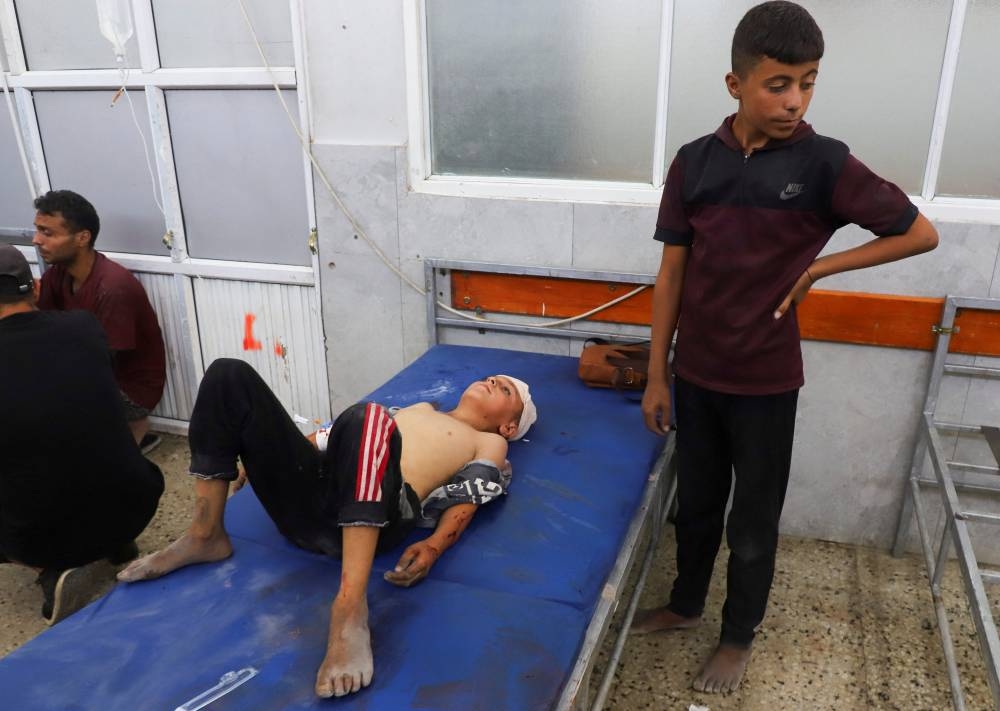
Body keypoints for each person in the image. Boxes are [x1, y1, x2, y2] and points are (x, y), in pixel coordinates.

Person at [635, 1, 938, 695]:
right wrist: (658, 375)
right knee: (698, 503)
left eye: (808, 81)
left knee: (752, 519)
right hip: (697, 374)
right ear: (735, 83)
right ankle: (685, 604)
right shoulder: (693, 164)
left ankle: (738, 634)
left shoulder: (826, 163)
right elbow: (672, 274)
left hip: (768, 382)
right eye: (779, 83)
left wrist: (821, 268)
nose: (795, 100)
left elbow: (919, 234)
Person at [118, 357, 538, 698]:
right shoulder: (418, 409)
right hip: (313, 503)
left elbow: (470, 495)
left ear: (509, 426)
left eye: (504, 390)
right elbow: (327, 440)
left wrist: (433, 546)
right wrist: (265, 449)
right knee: (228, 374)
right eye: (490, 377)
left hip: (378, 518)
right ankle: (206, 534)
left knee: (369, 416)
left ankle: (350, 609)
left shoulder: (489, 442)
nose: (491, 382)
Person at [0, 244, 164, 624]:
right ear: (36, 289)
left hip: (40, 533)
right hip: (135, 503)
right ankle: (117, 544)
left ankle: (50, 567)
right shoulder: (84, 327)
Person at [33, 189, 166, 450]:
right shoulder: (58, 275)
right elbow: (39, 328)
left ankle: (127, 434)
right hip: (90, 369)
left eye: (48, 233)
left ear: (82, 237)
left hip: (129, 389)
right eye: (37, 230)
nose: (37, 240)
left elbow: (101, 363)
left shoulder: (113, 287)